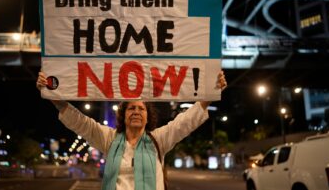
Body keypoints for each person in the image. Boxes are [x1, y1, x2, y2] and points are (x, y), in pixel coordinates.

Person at [36, 71, 227, 190]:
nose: (136, 111)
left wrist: (210, 93)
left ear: (147, 116)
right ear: (123, 114)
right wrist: (52, 94)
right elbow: (80, 122)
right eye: (131, 108)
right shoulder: (109, 139)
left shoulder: (158, 139)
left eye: (141, 108)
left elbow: (187, 121)